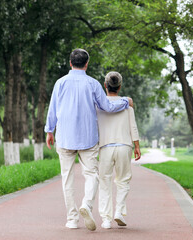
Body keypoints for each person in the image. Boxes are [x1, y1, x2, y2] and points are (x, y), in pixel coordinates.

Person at [44, 49, 133, 231]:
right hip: (88, 137)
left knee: (67, 178)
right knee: (91, 175)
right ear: (86, 64)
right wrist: (125, 101)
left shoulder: (60, 83)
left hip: (65, 136)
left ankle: (72, 219)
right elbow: (107, 106)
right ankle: (87, 204)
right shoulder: (93, 84)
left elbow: (53, 108)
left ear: (70, 63)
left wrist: (49, 131)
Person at [96, 71, 141, 229]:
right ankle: (119, 212)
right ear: (119, 86)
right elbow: (133, 126)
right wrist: (137, 146)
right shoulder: (126, 104)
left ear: (105, 85)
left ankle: (106, 219)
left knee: (104, 182)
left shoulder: (99, 105)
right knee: (123, 181)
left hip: (105, 147)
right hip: (124, 146)